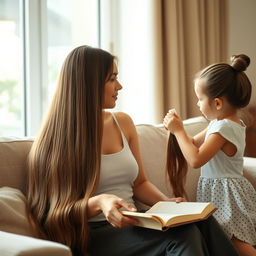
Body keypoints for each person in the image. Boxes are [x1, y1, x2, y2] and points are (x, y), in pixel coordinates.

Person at [27, 45, 239, 256]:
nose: (119, 86)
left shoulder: (123, 122)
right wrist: (99, 202)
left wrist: (166, 203)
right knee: (183, 236)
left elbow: (139, 183)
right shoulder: (53, 142)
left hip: (136, 221)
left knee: (201, 221)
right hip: (95, 233)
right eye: (111, 79)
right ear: (89, 84)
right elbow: (50, 213)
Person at [164, 54, 256, 256]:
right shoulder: (220, 124)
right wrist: (177, 129)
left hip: (226, 195)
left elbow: (196, 159)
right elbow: (193, 143)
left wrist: (179, 131)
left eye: (200, 99)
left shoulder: (223, 128)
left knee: (236, 242)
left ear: (217, 103)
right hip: (220, 191)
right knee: (223, 241)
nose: (197, 104)